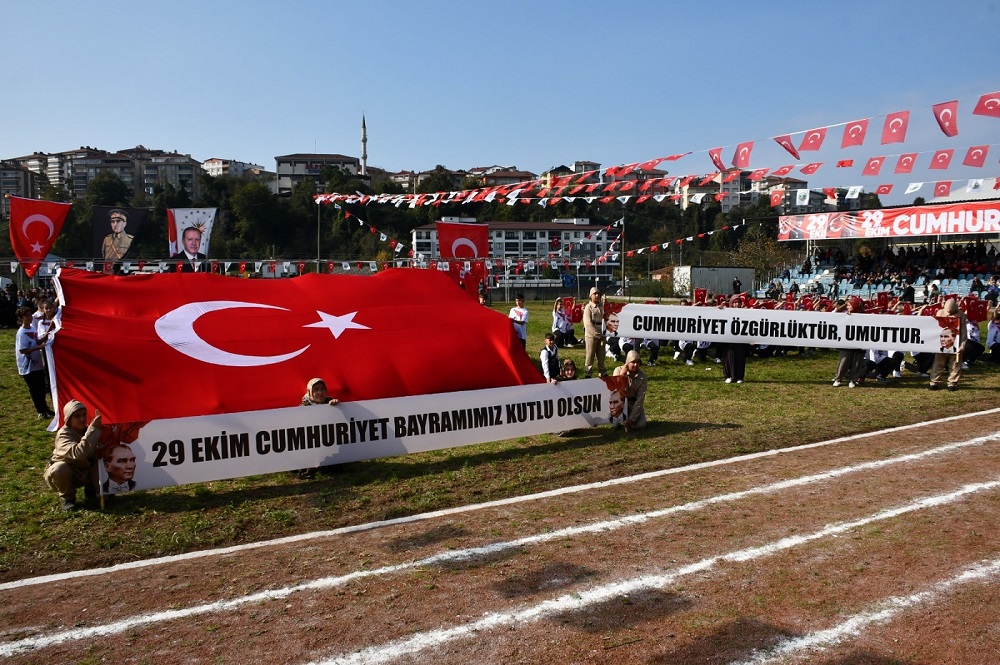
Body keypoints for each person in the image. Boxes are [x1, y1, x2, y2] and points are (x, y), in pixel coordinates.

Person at [43, 400, 102, 511]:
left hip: (85, 470)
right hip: (67, 474)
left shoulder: (89, 431)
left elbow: (95, 460)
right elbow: (78, 453)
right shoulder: (64, 434)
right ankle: (68, 498)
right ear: (69, 419)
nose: (82, 419)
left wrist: (100, 489)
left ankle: (92, 490)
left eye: (84, 414)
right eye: (77, 416)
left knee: (102, 460)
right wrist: (93, 431)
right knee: (60, 468)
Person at [15, 306, 54, 419]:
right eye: (27, 316)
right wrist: (38, 348)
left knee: (41, 389)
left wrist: (49, 331)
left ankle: (45, 408)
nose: (30, 317)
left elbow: (37, 341)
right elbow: (22, 350)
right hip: (28, 366)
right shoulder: (21, 333)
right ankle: (40, 411)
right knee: (35, 389)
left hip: (37, 364)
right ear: (21, 318)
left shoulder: (32, 328)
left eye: (30, 315)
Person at [298, 378, 339, 479]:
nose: (320, 392)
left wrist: (337, 406)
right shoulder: (303, 407)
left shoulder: (330, 402)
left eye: (322, 389)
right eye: (316, 390)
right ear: (310, 392)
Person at [929, 299, 965, 391]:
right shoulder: (940, 313)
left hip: (956, 342)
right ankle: (934, 382)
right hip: (942, 343)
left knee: (955, 364)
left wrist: (962, 345)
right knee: (938, 363)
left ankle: (952, 383)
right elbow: (935, 328)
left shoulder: (961, 315)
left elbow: (964, 332)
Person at [612, 350, 647, 430]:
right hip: (620, 403)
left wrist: (632, 419)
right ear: (627, 363)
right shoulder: (618, 370)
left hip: (632, 403)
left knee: (641, 425)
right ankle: (617, 419)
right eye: (633, 362)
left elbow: (640, 398)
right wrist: (622, 376)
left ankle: (628, 420)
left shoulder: (643, 377)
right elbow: (615, 390)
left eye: (638, 362)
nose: (636, 365)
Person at [721, 295, 750, 384]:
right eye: (735, 302)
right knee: (729, 357)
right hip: (730, 339)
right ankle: (729, 376)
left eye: (738, 302)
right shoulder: (726, 311)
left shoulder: (745, 312)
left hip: (741, 338)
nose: (737, 304)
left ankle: (739, 377)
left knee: (740, 358)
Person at [583, 286, 606, 378]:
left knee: (601, 354)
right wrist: (597, 334)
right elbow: (588, 324)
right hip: (591, 335)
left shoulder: (602, 306)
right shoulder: (588, 308)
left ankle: (602, 371)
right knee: (590, 354)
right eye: (595, 294)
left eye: (598, 294)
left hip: (602, 333)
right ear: (590, 296)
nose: (597, 296)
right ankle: (588, 372)